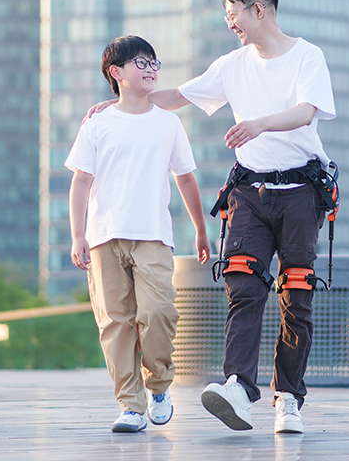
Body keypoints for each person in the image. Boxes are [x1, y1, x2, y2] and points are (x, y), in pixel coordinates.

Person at [87, 0, 336, 434]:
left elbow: (306, 112)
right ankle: (238, 386)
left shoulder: (307, 56)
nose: (230, 24)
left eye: (233, 14)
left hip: (301, 191)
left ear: (258, 9)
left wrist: (259, 124)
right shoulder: (231, 65)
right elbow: (177, 96)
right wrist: (118, 103)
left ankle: (288, 398)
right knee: (243, 287)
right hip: (249, 192)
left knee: (296, 293)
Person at [66, 35, 210, 433]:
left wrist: (201, 230)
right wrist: (77, 235)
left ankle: (159, 386)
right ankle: (130, 405)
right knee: (115, 323)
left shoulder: (168, 122)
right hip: (104, 236)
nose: (150, 69)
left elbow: (185, 178)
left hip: (153, 235)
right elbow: (81, 181)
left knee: (158, 312)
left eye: (153, 63)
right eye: (140, 63)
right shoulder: (97, 123)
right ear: (116, 72)